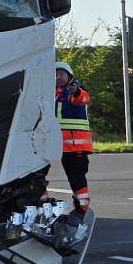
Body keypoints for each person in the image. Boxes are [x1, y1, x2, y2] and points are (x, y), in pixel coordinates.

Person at [55, 61, 93, 209]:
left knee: (76, 178)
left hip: (75, 145)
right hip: (55, 145)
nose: (58, 77)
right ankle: (41, 202)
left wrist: (75, 91)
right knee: (36, 173)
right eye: (55, 74)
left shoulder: (74, 91)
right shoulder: (53, 93)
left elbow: (83, 98)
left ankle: (82, 207)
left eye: (61, 74)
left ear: (69, 76)